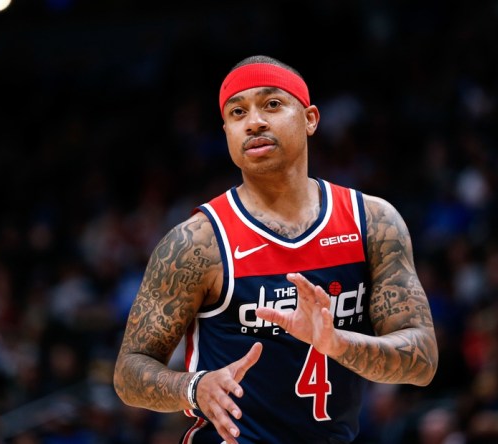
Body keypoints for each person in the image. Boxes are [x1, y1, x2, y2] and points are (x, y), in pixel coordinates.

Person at [113, 54, 439, 444]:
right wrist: (193, 388)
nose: (254, 122)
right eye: (237, 112)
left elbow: (422, 361)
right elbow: (129, 371)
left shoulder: (373, 222)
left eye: (272, 104)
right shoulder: (196, 243)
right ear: (227, 133)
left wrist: (337, 343)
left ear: (310, 119)